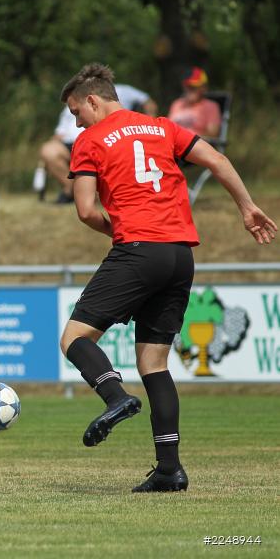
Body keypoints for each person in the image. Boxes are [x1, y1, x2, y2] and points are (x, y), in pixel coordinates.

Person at [58, 64, 275, 493]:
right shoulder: (162, 127)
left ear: (93, 100)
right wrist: (247, 207)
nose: (75, 121)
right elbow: (216, 158)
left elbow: (84, 210)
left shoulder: (90, 140)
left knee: (74, 338)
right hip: (180, 255)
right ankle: (169, 470)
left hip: (138, 249)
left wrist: (116, 232)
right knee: (154, 364)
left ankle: (115, 397)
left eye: (75, 111)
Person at [38, 83, 156, 204]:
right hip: (71, 143)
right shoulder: (73, 99)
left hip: (107, 139)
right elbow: (60, 131)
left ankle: (92, 196)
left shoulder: (122, 90)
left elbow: (148, 101)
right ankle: (74, 192)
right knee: (48, 150)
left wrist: (148, 123)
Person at [167, 67, 222, 139]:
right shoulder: (176, 104)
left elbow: (212, 134)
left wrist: (188, 140)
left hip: (196, 146)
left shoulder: (211, 106)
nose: (190, 89)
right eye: (188, 86)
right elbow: (167, 129)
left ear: (204, 88)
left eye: (194, 86)